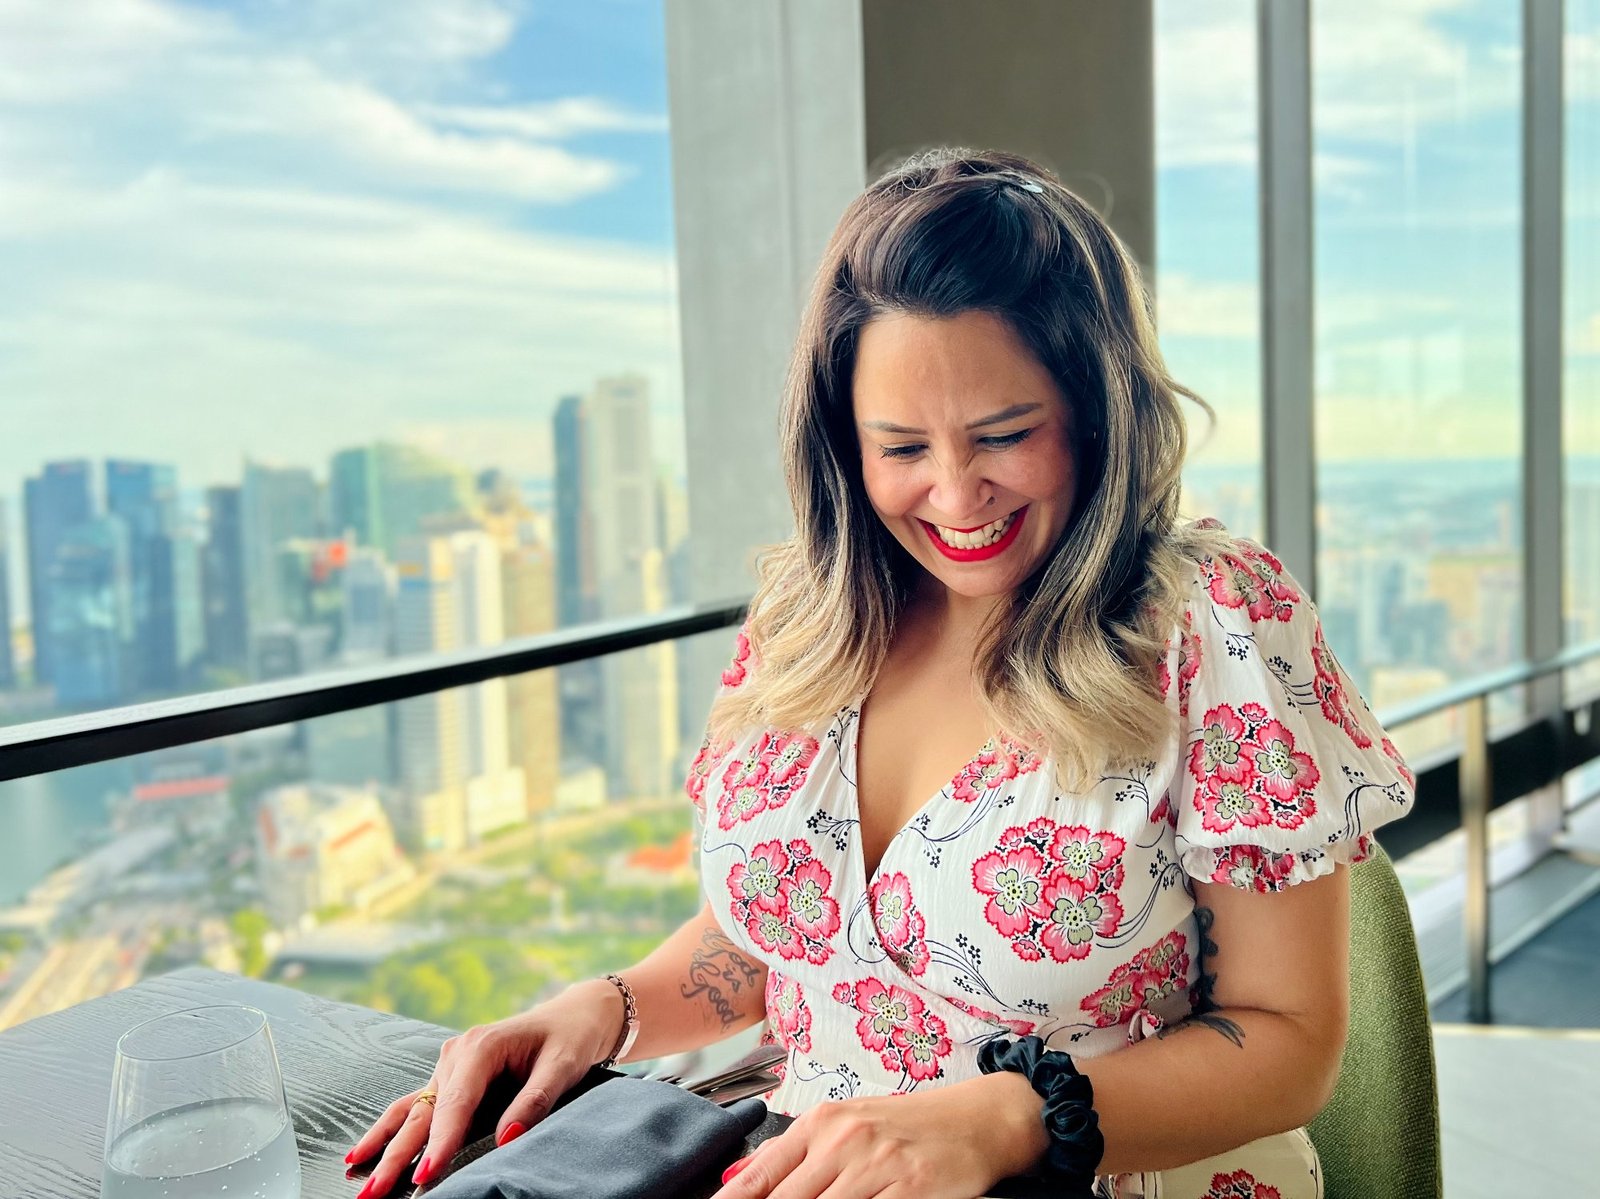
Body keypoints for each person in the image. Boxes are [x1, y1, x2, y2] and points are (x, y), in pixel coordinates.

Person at [345, 148, 1415, 1199]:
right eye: (901, 448)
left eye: (1004, 434)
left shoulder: (1212, 623)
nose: (955, 493)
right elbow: (787, 938)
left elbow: (1289, 1040)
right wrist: (606, 1008)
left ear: (1098, 409)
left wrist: (1008, 1118)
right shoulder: (802, 621)